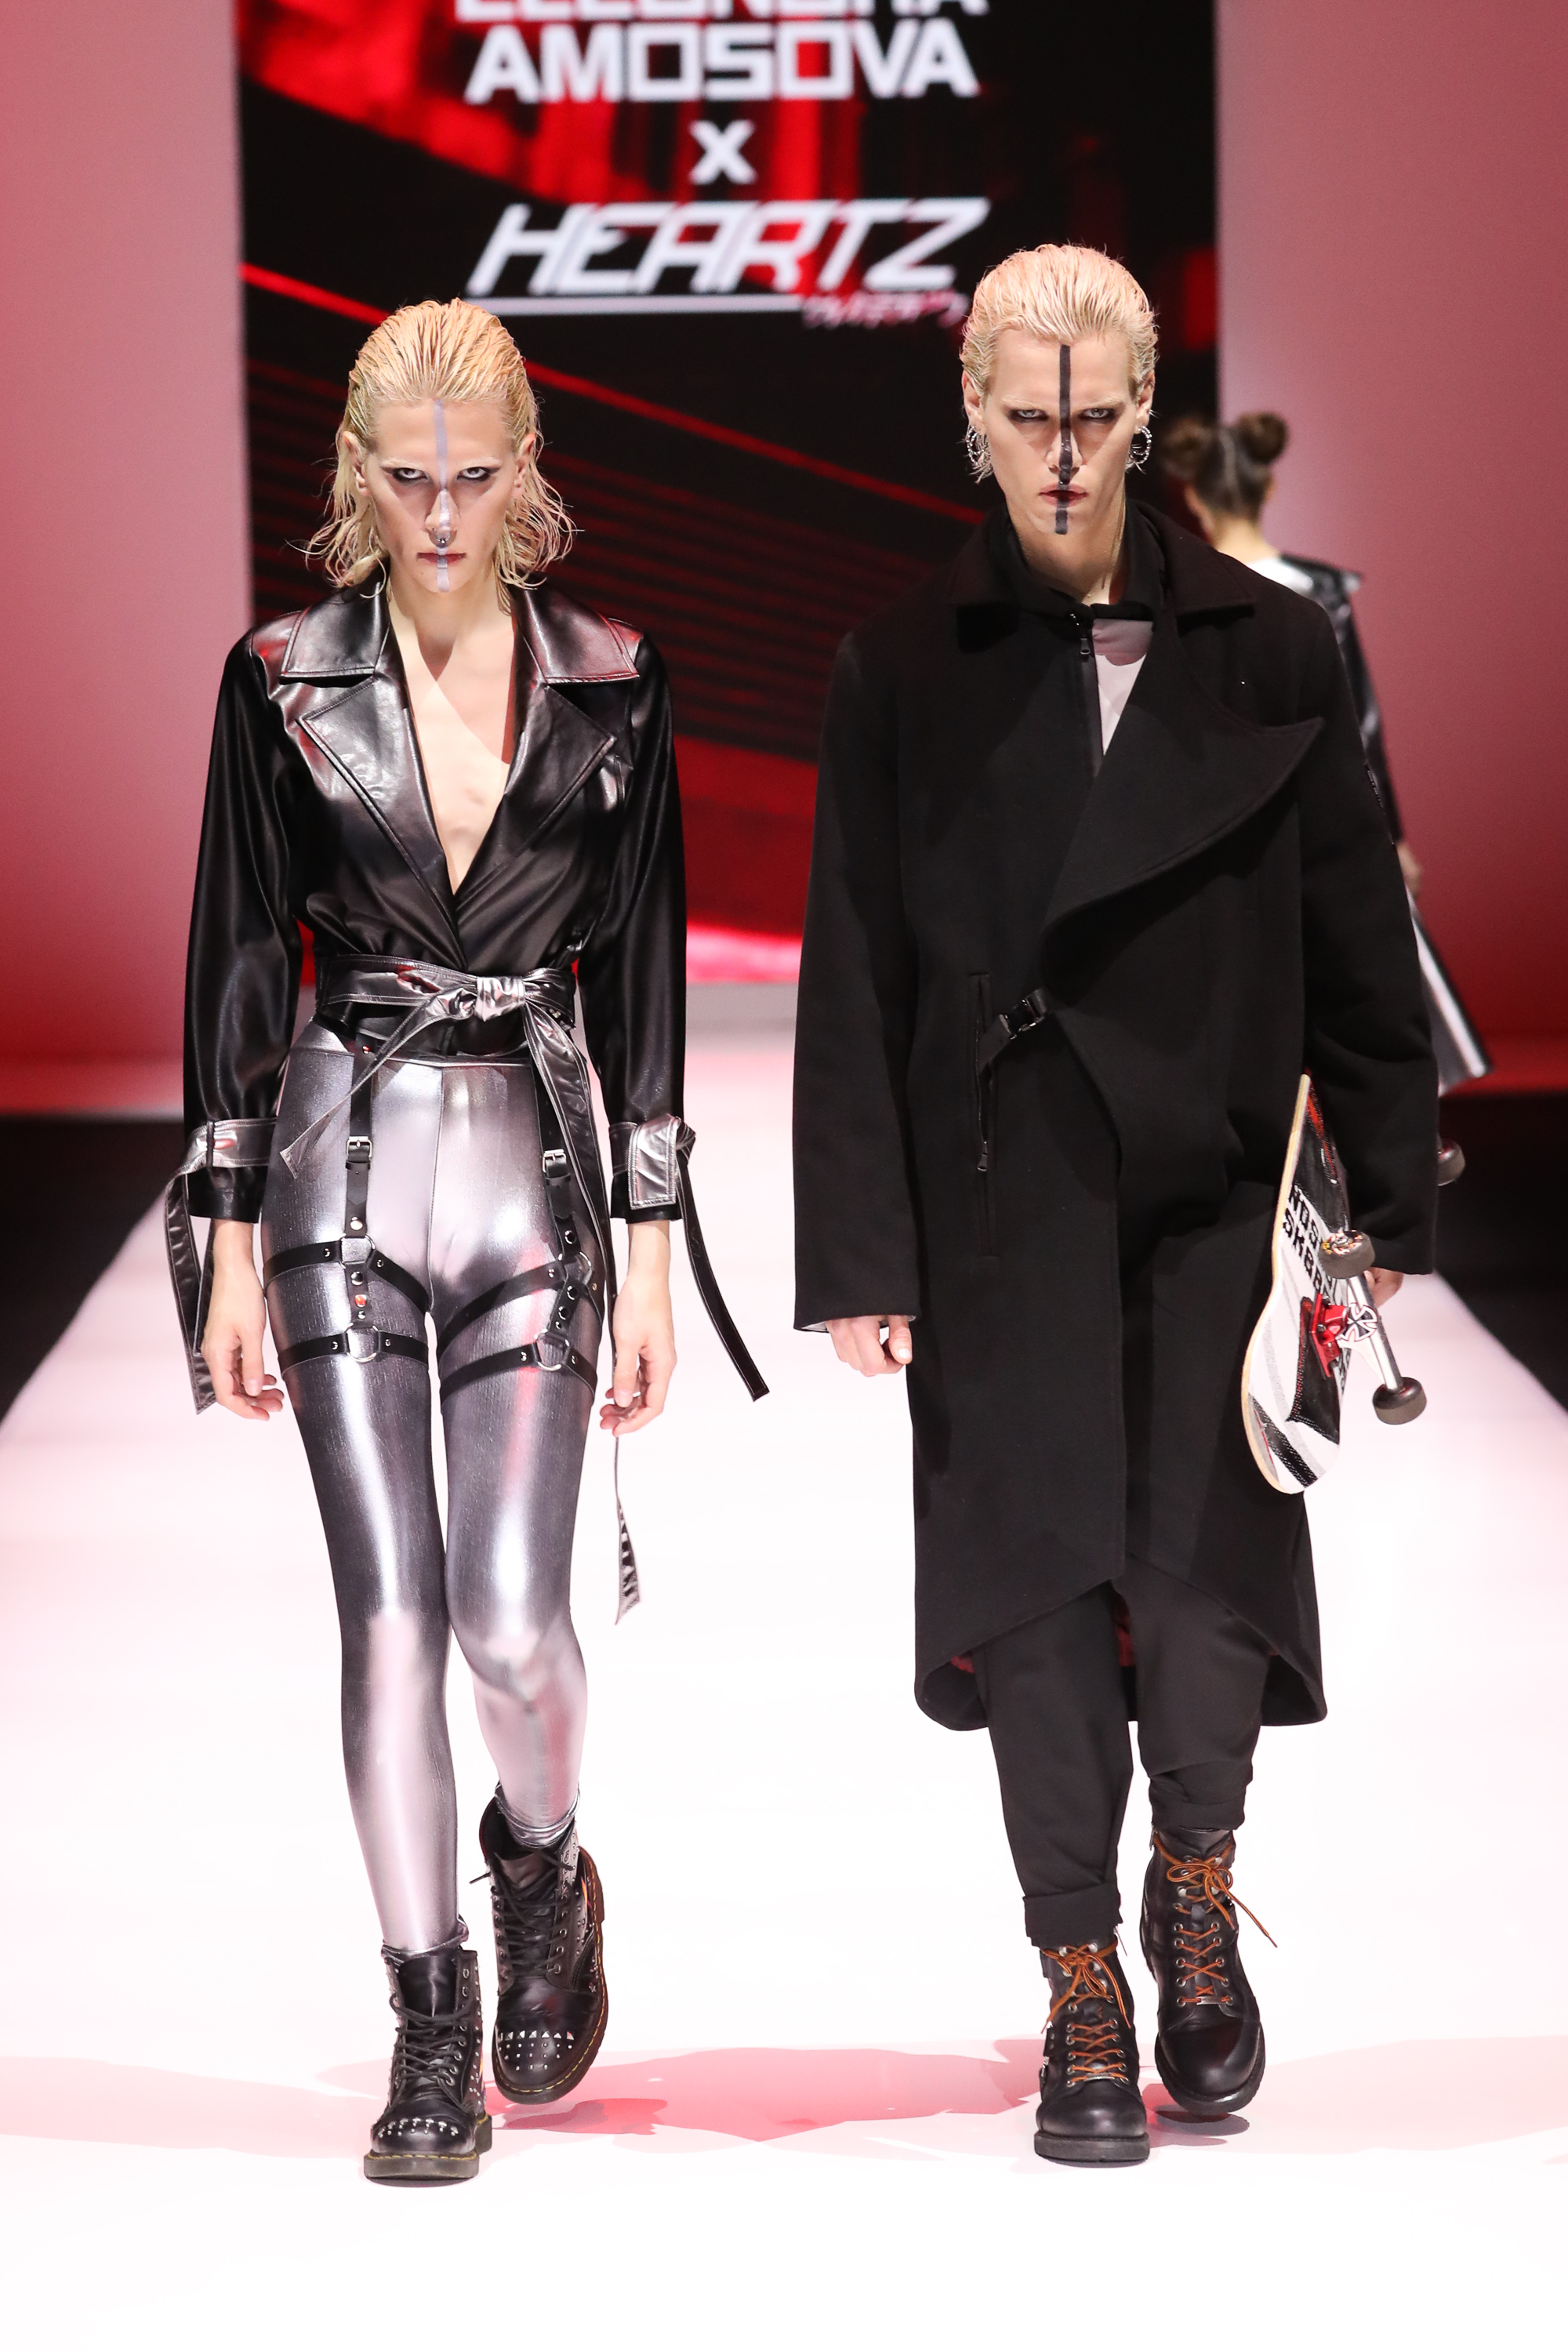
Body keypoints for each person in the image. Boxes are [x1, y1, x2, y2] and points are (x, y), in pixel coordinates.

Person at [793, 246, 1436, 2167]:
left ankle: (1194, 1888)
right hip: (1001, 1188)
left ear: (1138, 413)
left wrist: (1378, 1204)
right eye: (1026, 418)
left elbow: (1357, 944)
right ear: (970, 418)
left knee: (1206, 1582)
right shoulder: (899, 668)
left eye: (1089, 418)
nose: (1061, 455)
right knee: (1040, 1592)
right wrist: (860, 1249)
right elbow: (853, 969)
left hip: (1216, 1191)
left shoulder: (1270, 649)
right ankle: (1080, 1967)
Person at [165, 299, 760, 2185]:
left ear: (526, 473)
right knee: (392, 1618)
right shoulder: (278, 679)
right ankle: (426, 2015)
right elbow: (241, 952)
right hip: (338, 1165)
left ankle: (542, 1860)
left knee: (511, 1623)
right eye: (407, 480)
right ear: (356, 473)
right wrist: (221, 1236)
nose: (439, 516)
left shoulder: (616, 676)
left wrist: (654, 1248)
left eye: (473, 477)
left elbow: (643, 966)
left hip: (540, 1166)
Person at [1163, 412, 1488, 1092]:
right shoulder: (1316, 593)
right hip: (1322, 822)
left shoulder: (1183, 596)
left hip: (1226, 832)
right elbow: (1360, 727)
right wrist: (1392, 838)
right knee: (1362, 982)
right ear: (1268, 488)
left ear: (1194, 494)